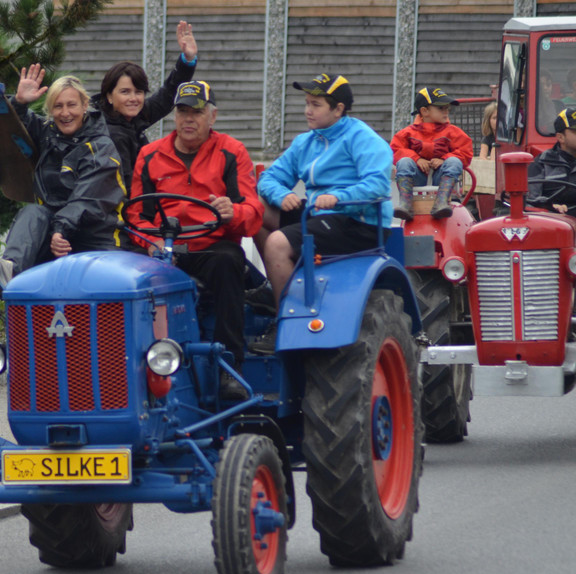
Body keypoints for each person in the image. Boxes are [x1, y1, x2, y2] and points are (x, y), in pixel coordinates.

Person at [126, 81, 262, 399]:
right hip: (162, 248)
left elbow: (253, 213)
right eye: (183, 111)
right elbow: (136, 215)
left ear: (212, 117)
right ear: (174, 116)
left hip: (210, 246)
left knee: (229, 261)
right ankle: (126, 366)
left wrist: (232, 212)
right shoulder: (150, 155)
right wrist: (151, 243)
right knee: (124, 278)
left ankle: (230, 367)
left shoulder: (231, 152)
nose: (189, 119)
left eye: (197, 112)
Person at [253, 73, 392, 354]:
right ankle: (278, 282)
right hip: (319, 214)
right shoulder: (305, 142)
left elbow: (377, 185)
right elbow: (269, 178)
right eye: (306, 103)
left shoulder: (362, 137)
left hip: (358, 222)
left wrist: (340, 198)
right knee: (253, 212)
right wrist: (282, 195)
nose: (308, 110)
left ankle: (284, 321)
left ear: (338, 109)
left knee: (277, 243)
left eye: (315, 105)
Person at [0, 65, 126, 293]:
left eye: (71, 105)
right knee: (33, 211)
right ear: (50, 110)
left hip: (95, 238)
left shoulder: (101, 147)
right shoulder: (49, 133)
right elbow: (15, 127)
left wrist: (61, 230)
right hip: (56, 236)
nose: (65, 113)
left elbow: (85, 200)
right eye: (58, 106)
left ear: (85, 106)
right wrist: (19, 102)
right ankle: (10, 270)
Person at [94, 21, 198, 192]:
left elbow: (167, 96)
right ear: (109, 96)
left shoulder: (130, 118)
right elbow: (127, 188)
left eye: (139, 92)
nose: (133, 98)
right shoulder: (111, 135)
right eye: (125, 92)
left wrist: (187, 60)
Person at [390, 86, 473, 220]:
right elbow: (395, 149)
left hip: (440, 178)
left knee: (454, 161)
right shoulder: (408, 132)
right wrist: (416, 159)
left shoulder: (453, 131)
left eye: (447, 108)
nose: (446, 112)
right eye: (441, 108)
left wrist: (444, 159)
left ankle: (441, 203)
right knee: (404, 162)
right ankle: (405, 204)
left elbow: (466, 151)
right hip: (416, 180)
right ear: (424, 111)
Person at [528, 107, 576, 214]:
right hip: (554, 219)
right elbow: (529, 201)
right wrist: (548, 207)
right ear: (560, 137)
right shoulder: (542, 163)